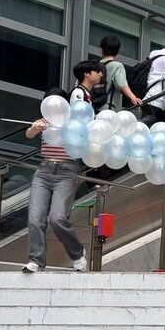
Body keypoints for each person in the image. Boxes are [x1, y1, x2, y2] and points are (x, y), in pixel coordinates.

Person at [23, 77, 99, 273]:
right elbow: (28, 134)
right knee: (35, 219)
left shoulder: (74, 122)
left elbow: (86, 142)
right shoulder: (44, 121)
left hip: (66, 172)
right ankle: (36, 260)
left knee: (57, 218)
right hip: (43, 171)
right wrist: (34, 128)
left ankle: (77, 253)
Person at [99, 35, 141, 110]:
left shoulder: (95, 66)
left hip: (94, 107)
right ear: (117, 51)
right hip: (108, 109)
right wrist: (133, 97)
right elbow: (121, 84)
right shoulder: (117, 66)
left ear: (102, 49)